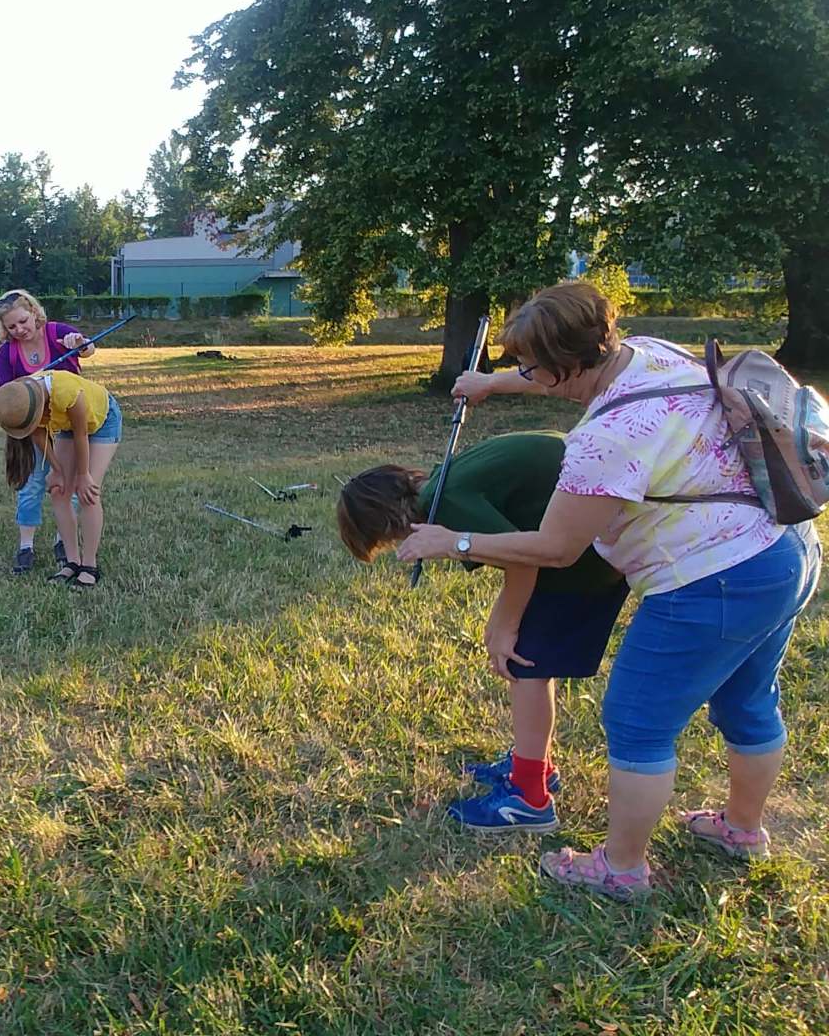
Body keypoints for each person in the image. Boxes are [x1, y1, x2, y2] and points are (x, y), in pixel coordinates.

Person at [398, 282, 821, 899]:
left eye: (531, 368)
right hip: (785, 551)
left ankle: (621, 870)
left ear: (566, 366)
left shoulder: (605, 442)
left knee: (637, 724)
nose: (525, 375)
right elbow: (573, 380)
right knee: (748, 704)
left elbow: (554, 549)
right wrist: (496, 385)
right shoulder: (647, 353)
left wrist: (454, 541)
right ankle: (742, 830)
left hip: (713, 577)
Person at [338, 433, 629, 831]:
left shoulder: (450, 500)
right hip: (585, 538)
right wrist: (500, 618)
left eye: (392, 540)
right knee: (526, 658)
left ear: (393, 521)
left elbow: (525, 564)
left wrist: (505, 626)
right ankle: (535, 763)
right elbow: (516, 551)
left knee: (524, 662)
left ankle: (529, 797)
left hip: (586, 555)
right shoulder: (445, 483)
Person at [0, 289, 97, 574]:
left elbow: (89, 350)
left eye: (23, 322)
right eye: (11, 327)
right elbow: (8, 392)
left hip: (68, 425)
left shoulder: (57, 333)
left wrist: (80, 343)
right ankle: (25, 546)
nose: (19, 330)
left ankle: (63, 541)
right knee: (32, 485)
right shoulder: (7, 353)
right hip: (35, 428)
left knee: (72, 484)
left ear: (34, 312)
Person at [0, 368, 122, 589]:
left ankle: (89, 566)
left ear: (41, 405)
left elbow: (81, 434)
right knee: (58, 491)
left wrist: (83, 475)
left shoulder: (66, 392)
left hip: (101, 421)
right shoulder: (23, 398)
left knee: (87, 494)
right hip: (67, 425)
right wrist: (57, 469)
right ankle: (72, 561)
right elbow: (38, 433)